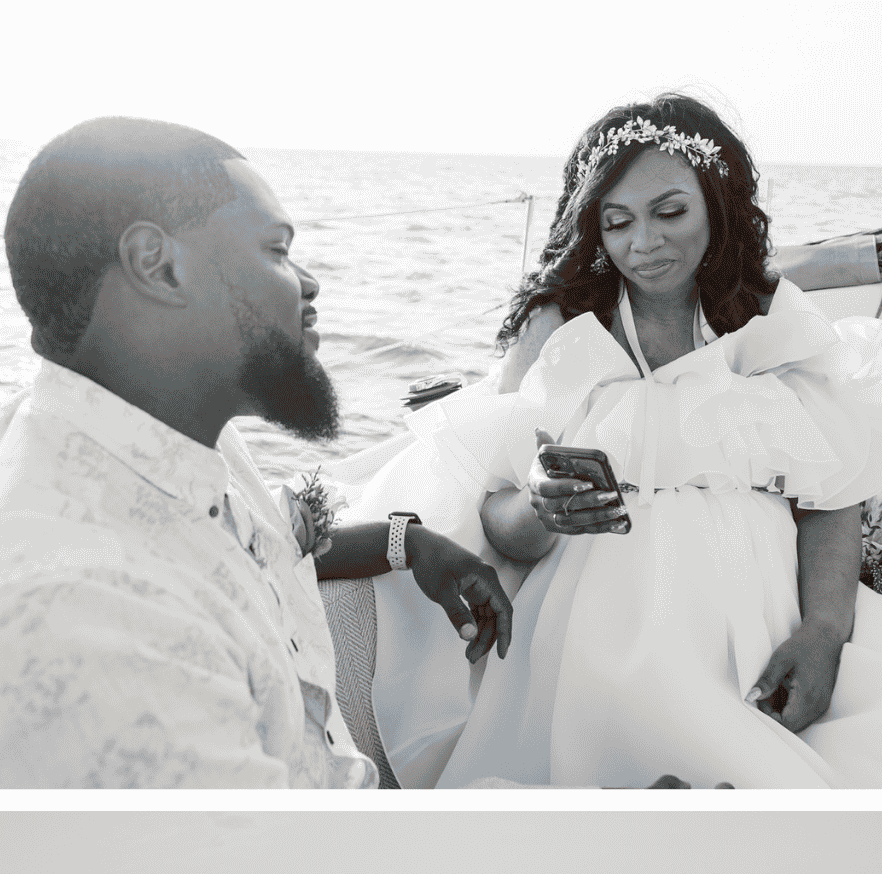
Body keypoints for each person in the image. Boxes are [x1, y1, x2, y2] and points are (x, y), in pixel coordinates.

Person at [344, 92, 882, 788]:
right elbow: (504, 524)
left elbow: (833, 492)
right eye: (617, 223)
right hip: (600, 630)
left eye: (670, 213)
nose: (643, 245)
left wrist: (824, 633)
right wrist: (543, 504)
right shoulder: (560, 325)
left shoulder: (767, 318)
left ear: (717, 201)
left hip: (769, 615)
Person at [0, 117, 512, 788]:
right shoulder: (90, 609)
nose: (308, 284)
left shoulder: (171, 436)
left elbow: (264, 537)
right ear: (159, 265)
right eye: (276, 250)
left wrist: (406, 544)